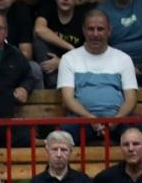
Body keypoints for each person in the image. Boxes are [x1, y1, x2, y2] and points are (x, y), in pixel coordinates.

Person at [57, 10, 137, 143]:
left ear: (109, 30)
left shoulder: (123, 59)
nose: (95, 34)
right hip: (82, 120)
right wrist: (91, 119)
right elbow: (68, 98)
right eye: (90, 29)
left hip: (117, 120)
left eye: (100, 29)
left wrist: (114, 121)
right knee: (61, 136)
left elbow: (131, 99)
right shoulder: (69, 59)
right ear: (83, 30)